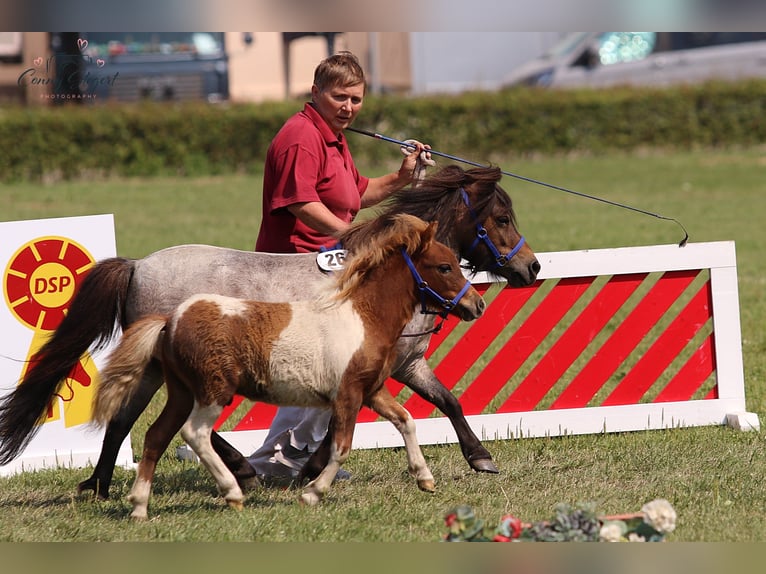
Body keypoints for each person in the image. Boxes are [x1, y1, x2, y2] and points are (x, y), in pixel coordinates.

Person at [247, 51, 431, 485]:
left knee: (332, 366)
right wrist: (352, 237)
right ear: (316, 93)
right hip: (296, 266)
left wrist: (402, 176)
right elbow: (301, 203)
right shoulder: (300, 136)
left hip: (326, 261)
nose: (348, 107)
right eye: (339, 97)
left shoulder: (332, 136)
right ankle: (285, 456)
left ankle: (285, 456)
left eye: (356, 99)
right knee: (337, 364)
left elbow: (356, 193)